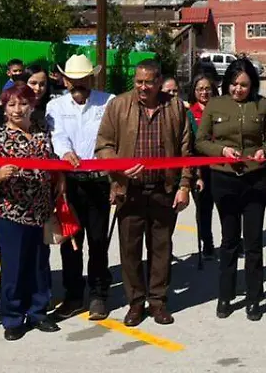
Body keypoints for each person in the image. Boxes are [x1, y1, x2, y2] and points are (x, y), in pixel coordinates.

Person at [95, 61, 193, 327]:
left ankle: (158, 302)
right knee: (130, 250)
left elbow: (186, 150)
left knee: (161, 249)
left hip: (164, 190)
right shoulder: (118, 106)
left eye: (148, 82)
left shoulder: (174, 107)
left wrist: (184, 186)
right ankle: (136, 303)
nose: (142, 87)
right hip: (130, 192)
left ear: (159, 81)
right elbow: (103, 145)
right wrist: (120, 168)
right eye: (138, 81)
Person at [196, 59, 266, 321]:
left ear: (252, 84)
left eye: (243, 85)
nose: (238, 89)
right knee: (229, 241)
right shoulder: (215, 105)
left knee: (253, 242)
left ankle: (254, 297)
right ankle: (225, 295)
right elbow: (202, 141)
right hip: (225, 179)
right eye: (233, 84)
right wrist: (222, 151)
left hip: (255, 179)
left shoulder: (261, 104)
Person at [0, 84, 61, 341]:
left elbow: (53, 162)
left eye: (23, 103)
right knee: (14, 265)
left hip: (40, 209)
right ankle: (13, 316)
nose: (18, 109)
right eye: (12, 104)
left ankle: (38, 311)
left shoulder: (41, 133)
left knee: (39, 263)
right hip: (10, 211)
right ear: (4, 108)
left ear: (33, 106)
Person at [47, 54, 114, 321]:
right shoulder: (55, 105)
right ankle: (73, 294)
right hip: (69, 182)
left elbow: (111, 138)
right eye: (73, 80)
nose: (78, 85)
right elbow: (57, 135)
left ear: (91, 78)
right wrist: (64, 153)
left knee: (98, 242)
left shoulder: (108, 102)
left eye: (83, 80)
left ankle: (98, 294)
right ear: (65, 80)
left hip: (98, 180)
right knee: (71, 242)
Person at [187, 73, 217, 259]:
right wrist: (196, 175)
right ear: (195, 91)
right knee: (204, 210)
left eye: (207, 88)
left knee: (227, 208)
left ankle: (233, 242)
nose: (204, 92)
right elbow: (189, 146)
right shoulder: (190, 114)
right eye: (200, 89)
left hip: (222, 168)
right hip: (201, 171)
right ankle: (207, 243)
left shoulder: (221, 110)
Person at [24, 64, 53, 130]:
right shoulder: (15, 107)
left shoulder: (53, 106)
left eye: (42, 84)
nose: (38, 88)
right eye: (33, 83)